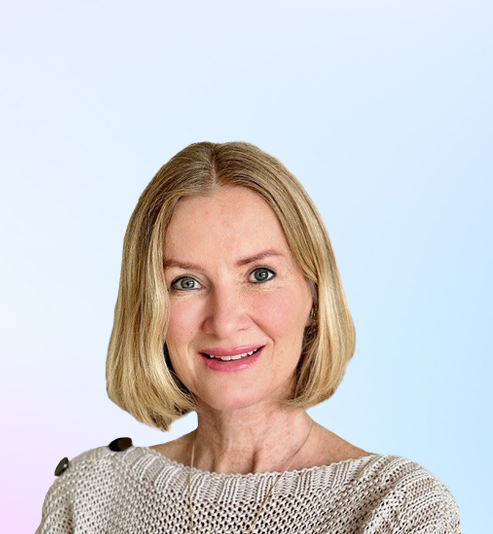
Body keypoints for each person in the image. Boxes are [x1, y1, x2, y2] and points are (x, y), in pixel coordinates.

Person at [36, 141, 460, 533]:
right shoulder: (89, 498)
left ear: (314, 292)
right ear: (149, 310)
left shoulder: (397, 509)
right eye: (186, 282)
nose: (224, 321)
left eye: (260, 275)